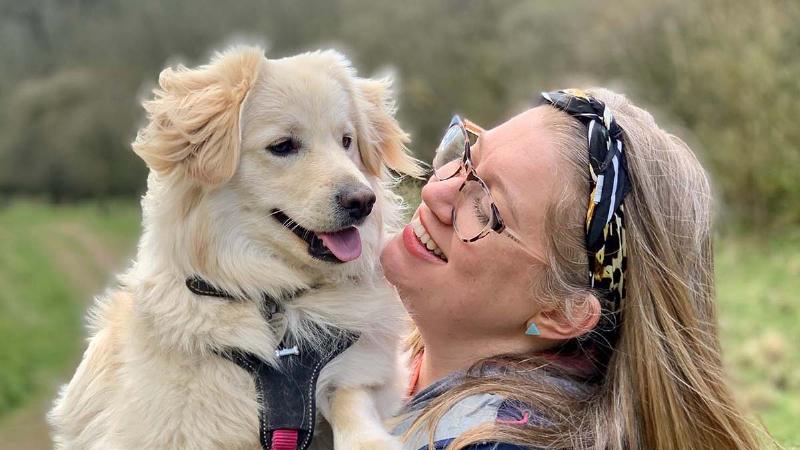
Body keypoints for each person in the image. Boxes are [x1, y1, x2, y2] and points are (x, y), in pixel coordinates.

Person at [380, 88, 768, 450]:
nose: (434, 191)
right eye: (466, 157)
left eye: (486, 209)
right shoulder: (373, 337)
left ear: (559, 313)